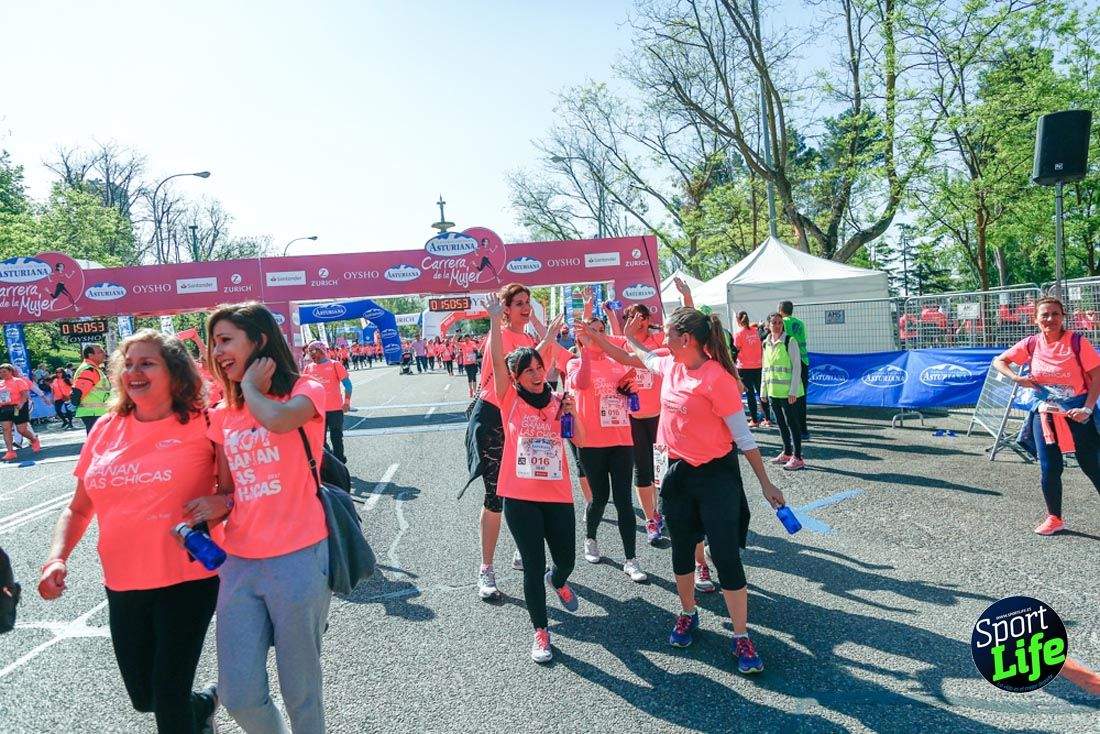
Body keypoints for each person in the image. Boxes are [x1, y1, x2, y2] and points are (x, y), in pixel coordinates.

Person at [37, 329, 220, 733]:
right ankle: (203, 705)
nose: (134, 372)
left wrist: (222, 503)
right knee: (145, 698)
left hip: (188, 577)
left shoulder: (205, 422)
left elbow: (238, 487)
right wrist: (56, 557)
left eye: (147, 363)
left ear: (174, 372)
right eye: (128, 364)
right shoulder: (105, 428)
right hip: (123, 580)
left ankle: (189, 710)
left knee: (168, 695)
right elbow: (78, 507)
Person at [621, 307, 786, 672]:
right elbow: (646, 357)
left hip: (716, 477)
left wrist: (766, 484)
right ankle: (687, 612)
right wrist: (628, 336)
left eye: (667, 334)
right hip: (678, 475)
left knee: (725, 556)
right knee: (681, 550)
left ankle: (741, 636)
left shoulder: (718, 379)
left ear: (686, 339)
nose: (662, 340)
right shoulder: (671, 365)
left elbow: (744, 438)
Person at [196, 301, 332, 733]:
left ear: (259, 341)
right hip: (237, 563)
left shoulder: (307, 390)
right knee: (238, 694)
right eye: (214, 342)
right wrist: (217, 504)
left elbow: (277, 421)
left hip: (299, 557)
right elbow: (229, 489)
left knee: (301, 693)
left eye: (226, 340)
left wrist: (251, 389)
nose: (217, 352)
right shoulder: (221, 415)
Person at [483, 296, 583, 662]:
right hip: (520, 495)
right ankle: (541, 631)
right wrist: (495, 322)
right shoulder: (508, 398)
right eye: (529, 371)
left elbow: (580, 439)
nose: (538, 374)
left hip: (557, 494)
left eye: (540, 368)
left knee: (566, 561)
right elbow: (497, 360)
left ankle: (557, 582)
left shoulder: (558, 400)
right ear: (516, 378)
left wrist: (572, 415)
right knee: (533, 561)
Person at [465, 284, 561, 599]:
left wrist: (547, 339)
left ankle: (523, 549)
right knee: (495, 496)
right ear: (506, 308)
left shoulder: (527, 338)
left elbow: (539, 372)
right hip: (494, 419)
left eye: (528, 302)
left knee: (526, 490)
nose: (525, 307)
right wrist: (494, 321)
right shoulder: (501, 334)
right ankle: (486, 569)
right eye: (518, 303)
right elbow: (505, 374)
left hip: (520, 421)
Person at [992, 296, 1100, 535]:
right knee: (1050, 467)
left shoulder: (1077, 343)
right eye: (1045, 315)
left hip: (1078, 411)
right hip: (1045, 414)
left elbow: (1097, 376)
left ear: (1063, 318)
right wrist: (1017, 378)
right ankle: (1054, 518)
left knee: (1092, 464)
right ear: (1036, 319)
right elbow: (999, 361)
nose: (1050, 319)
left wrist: (1088, 409)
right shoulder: (1031, 343)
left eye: (1055, 314)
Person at [570, 318, 648, 583]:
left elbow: (634, 399)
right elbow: (581, 383)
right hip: (591, 443)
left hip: (621, 440)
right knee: (600, 497)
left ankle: (631, 559)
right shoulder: (574, 363)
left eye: (601, 331)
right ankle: (590, 538)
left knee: (624, 500)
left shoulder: (619, 362)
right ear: (581, 336)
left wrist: (630, 391)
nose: (598, 335)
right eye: (591, 331)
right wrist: (585, 351)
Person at [761, 313, 806, 470]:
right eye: (774, 322)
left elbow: (796, 367)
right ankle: (787, 452)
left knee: (792, 423)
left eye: (779, 322)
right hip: (774, 391)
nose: (777, 325)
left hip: (789, 393)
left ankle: (798, 457)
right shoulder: (766, 343)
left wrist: (793, 390)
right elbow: (765, 368)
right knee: (780, 423)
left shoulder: (789, 341)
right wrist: (763, 391)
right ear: (768, 325)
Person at [303, 340, 352, 464]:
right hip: (317, 411)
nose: (311, 355)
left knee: (336, 438)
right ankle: (330, 461)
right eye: (309, 352)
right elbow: (303, 387)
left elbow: (348, 385)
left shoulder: (335, 365)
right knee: (320, 440)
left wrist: (346, 402)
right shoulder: (308, 368)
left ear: (321, 350)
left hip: (335, 409)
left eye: (313, 351)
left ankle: (340, 462)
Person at [779, 301, 810, 440]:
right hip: (804, 360)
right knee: (802, 396)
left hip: (791, 362)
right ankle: (804, 430)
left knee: (791, 397)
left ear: (780, 310)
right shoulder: (800, 323)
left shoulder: (782, 322)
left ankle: (794, 430)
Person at [0, 363, 43, 461]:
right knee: (6, 429)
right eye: (0, 372)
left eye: (4, 372)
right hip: (4, 408)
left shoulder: (18, 381)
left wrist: (21, 403)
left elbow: (25, 394)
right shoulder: (0, 383)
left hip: (17, 407)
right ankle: (10, 452)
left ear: (11, 372)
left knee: (21, 430)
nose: (2, 374)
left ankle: (34, 440)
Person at [733, 311, 765, 426]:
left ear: (738, 320)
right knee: (761, 392)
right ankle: (767, 419)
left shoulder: (738, 334)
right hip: (758, 366)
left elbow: (734, 351)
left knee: (750, 394)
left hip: (744, 368)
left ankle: (754, 420)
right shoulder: (756, 331)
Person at [72, 343, 111, 434]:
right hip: (93, 413)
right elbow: (78, 392)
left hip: (94, 413)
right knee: (98, 444)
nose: (104, 353)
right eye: (100, 352)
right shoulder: (89, 369)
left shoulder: (92, 368)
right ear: (90, 355)